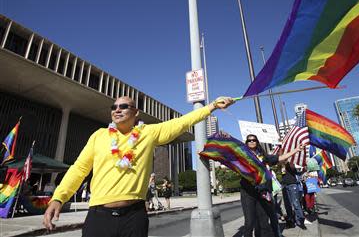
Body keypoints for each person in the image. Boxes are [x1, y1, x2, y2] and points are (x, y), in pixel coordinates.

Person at [43, 95, 234, 236]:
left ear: (135, 112)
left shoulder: (148, 133)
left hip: (134, 217)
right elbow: (79, 169)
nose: (117, 109)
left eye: (124, 106)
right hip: (99, 216)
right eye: (114, 106)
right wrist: (58, 198)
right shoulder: (99, 136)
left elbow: (182, 122)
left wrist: (212, 106)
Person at [240, 134, 304, 237]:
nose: (252, 141)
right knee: (249, 222)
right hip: (247, 193)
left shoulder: (264, 157)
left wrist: (296, 150)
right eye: (249, 140)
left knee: (263, 222)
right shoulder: (242, 156)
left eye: (254, 140)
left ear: (257, 142)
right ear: (246, 143)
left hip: (262, 192)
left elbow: (280, 158)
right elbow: (229, 153)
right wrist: (225, 137)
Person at [281, 162, 307, 230]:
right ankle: (290, 222)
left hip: (292, 185)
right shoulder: (279, 165)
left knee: (296, 204)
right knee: (287, 205)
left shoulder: (290, 162)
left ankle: (301, 221)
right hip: (284, 186)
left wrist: (304, 170)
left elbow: (297, 173)